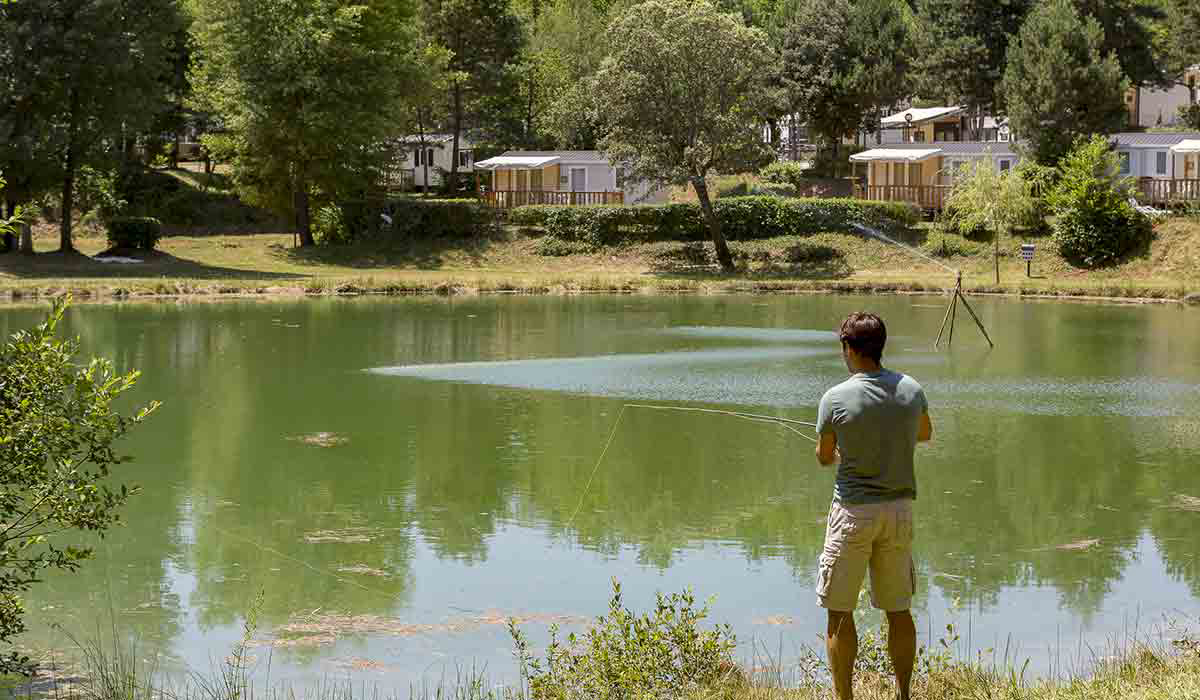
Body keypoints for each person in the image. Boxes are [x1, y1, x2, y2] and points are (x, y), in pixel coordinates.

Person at [814, 312, 933, 700]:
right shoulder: (912, 389)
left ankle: (845, 697)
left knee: (839, 612)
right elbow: (925, 433)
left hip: (852, 513)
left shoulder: (834, 398)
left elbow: (824, 457)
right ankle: (903, 694)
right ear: (881, 346)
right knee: (899, 609)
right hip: (899, 512)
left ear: (849, 348)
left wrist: (842, 448)